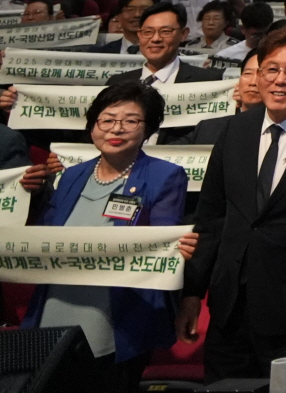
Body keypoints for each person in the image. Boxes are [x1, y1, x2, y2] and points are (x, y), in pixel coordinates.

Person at [180, 23, 286, 392]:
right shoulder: (235, 130)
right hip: (229, 308)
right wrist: (192, 293)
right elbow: (211, 216)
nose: (280, 80)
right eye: (271, 69)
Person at [29, 81, 185, 390]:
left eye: (131, 121)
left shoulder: (164, 175)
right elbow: (44, 235)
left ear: (148, 129)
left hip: (118, 312)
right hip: (58, 302)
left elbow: (162, 242)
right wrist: (30, 195)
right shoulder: (72, 175)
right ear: (93, 125)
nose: (117, 129)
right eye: (107, 119)